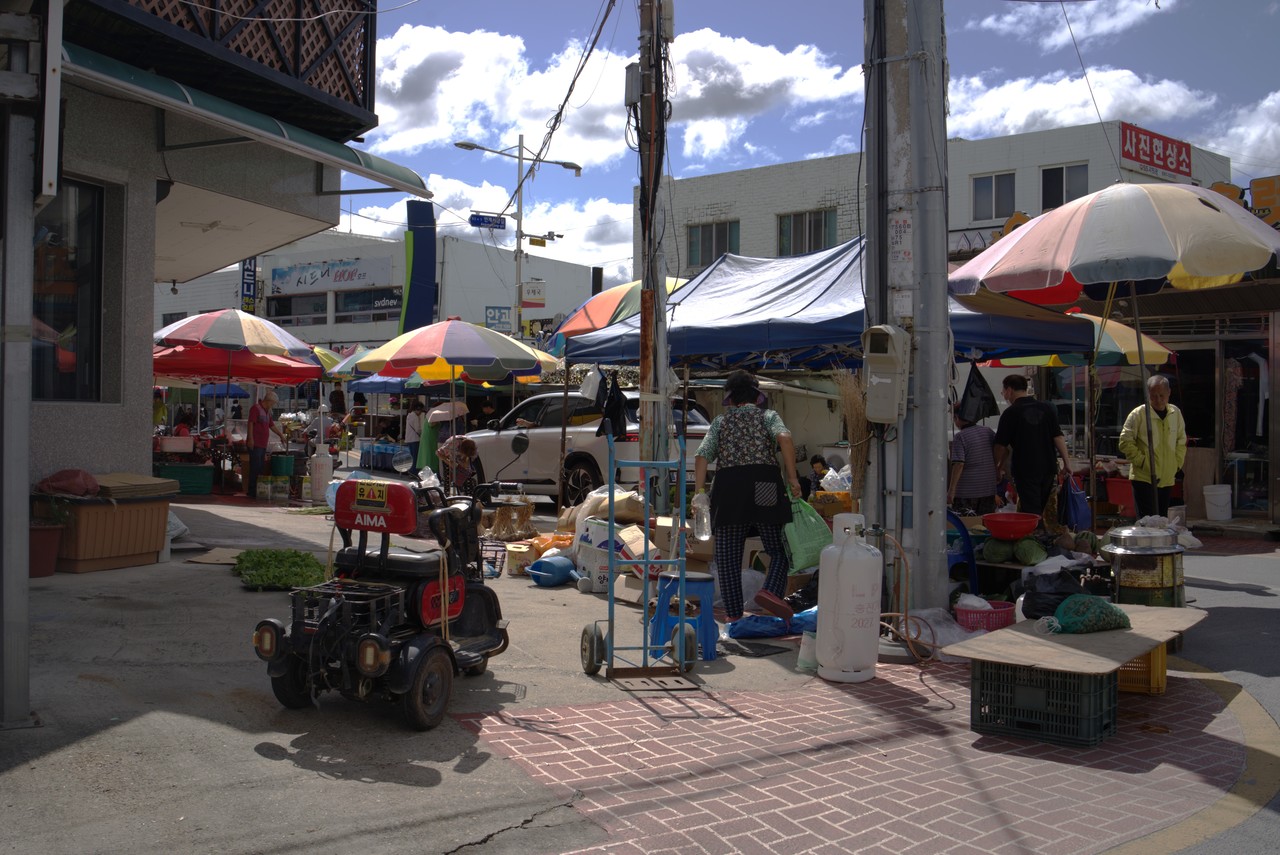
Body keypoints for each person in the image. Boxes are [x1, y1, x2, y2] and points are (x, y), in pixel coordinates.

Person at [693, 370, 803, 624]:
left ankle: (733, 616)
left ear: (730, 398)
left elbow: (701, 456)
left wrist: (699, 493)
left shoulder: (721, 422)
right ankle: (770, 591)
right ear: (757, 396)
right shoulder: (768, 416)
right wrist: (793, 477)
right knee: (779, 549)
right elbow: (784, 438)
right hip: (765, 483)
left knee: (729, 558)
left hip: (729, 489)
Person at [993, 374, 1071, 517]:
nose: (1004, 395)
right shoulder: (1046, 408)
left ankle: (1033, 536)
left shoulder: (1011, 413)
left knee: (1031, 509)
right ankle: (1037, 533)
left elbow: (1000, 446)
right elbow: (1058, 436)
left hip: (1025, 469)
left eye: (1003, 391)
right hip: (1048, 467)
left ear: (1009, 390)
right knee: (1039, 506)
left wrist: (996, 467)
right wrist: (1067, 463)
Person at [1119, 374, 1187, 519]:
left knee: (1162, 521)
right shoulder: (1138, 414)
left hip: (1167, 478)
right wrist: (1143, 462)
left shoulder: (1175, 413)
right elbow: (1125, 442)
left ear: (1169, 393)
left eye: (1162, 395)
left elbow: (1181, 441)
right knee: (1147, 524)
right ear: (1147, 394)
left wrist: (1176, 464)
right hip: (1144, 478)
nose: (1158, 400)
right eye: (1153, 396)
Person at [948, 404, 1001, 515]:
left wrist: (951, 491)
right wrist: (997, 468)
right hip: (988, 491)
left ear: (957, 417)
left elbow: (959, 464)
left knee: (966, 527)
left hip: (966, 494)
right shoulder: (988, 432)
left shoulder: (960, 437)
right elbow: (1001, 450)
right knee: (984, 527)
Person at [245, 391, 286, 500]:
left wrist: (281, 435)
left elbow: (271, 425)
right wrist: (250, 438)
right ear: (268, 401)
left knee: (260, 467)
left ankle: (257, 490)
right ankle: (252, 491)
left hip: (263, 444)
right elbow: (250, 423)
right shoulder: (256, 409)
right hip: (255, 443)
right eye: (272, 403)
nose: (272, 405)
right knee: (255, 467)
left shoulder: (267, 412)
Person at [404, 399, 426, 464]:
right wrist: (423, 434)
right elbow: (417, 429)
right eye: (421, 411)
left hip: (408, 439)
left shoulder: (409, 415)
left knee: (412, 456)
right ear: (418, 409)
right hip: (415, 439)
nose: (421, 413)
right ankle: (414, 472)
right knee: (415, 457)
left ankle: (411, 471)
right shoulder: (415, 417)